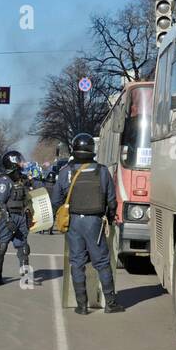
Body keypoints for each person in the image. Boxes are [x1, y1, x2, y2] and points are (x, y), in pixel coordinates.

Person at [54, 132, 124, 314]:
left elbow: (56, 199)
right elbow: (111, 200)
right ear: (92, 150)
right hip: (95, 222)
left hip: (73, 222)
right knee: (101, 262)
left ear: (74, 150)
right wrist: (109, 218)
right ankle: (110, 303)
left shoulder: (65, 172)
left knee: (77, 262)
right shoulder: (101, 171)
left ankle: (82, 305)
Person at [0, 150, 32, 286]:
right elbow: (0, 202)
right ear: (13, 162)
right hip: (8, 217)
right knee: (1, 247)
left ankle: (26, 275)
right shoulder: (4, 181)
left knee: (23, 247)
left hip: (21, 216)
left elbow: (28, 198)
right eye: (19, 160)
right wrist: (7, 220)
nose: (22, 163)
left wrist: (29, 214)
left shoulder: (21, 179)